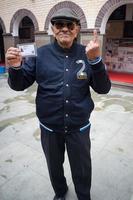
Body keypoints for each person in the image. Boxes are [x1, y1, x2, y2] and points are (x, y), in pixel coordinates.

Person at [6, 8, 111, 200]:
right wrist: (15, 68)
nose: (64, 29)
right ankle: (60, 192)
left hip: (79, 127)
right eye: (59, 25)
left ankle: (83, 195)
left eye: (69, 25)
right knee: (54, 166)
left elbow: (104, 89)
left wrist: (95, 60)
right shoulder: (40, 55)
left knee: (82, 167)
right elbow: (19, 85)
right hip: (49, 127)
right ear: (53, 29)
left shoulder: (87, 53)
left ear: (77, 30)